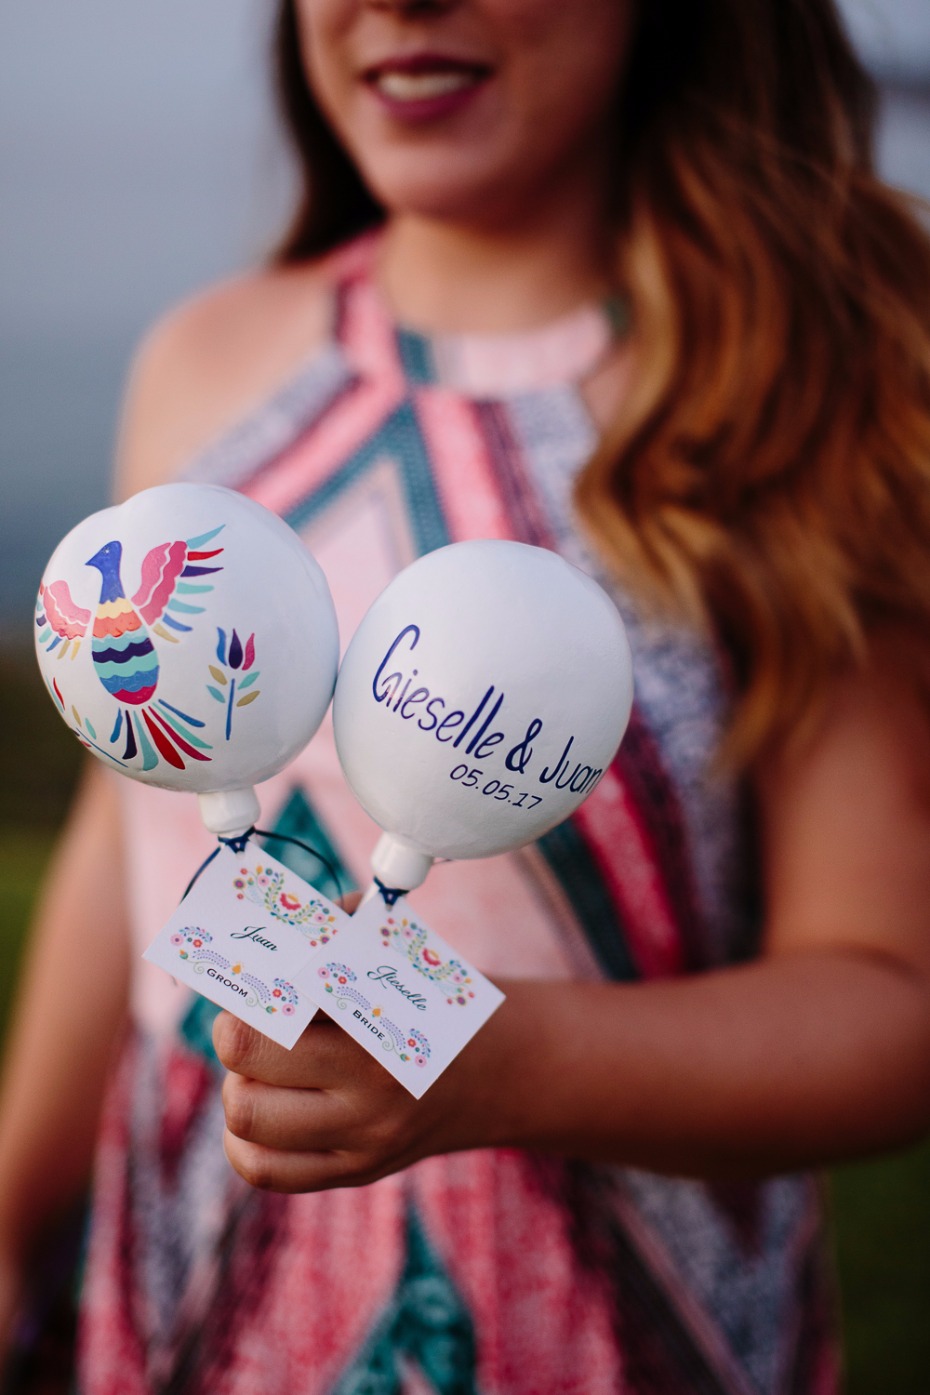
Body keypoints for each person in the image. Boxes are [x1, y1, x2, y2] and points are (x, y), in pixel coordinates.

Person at [3, 0, 930, 1390]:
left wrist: (482, 1059)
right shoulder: (207, 362)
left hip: (606, 1332)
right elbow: (122, 838)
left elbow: (891, 1000)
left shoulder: (792, 392)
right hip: (197, 1284)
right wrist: (13, 1209)